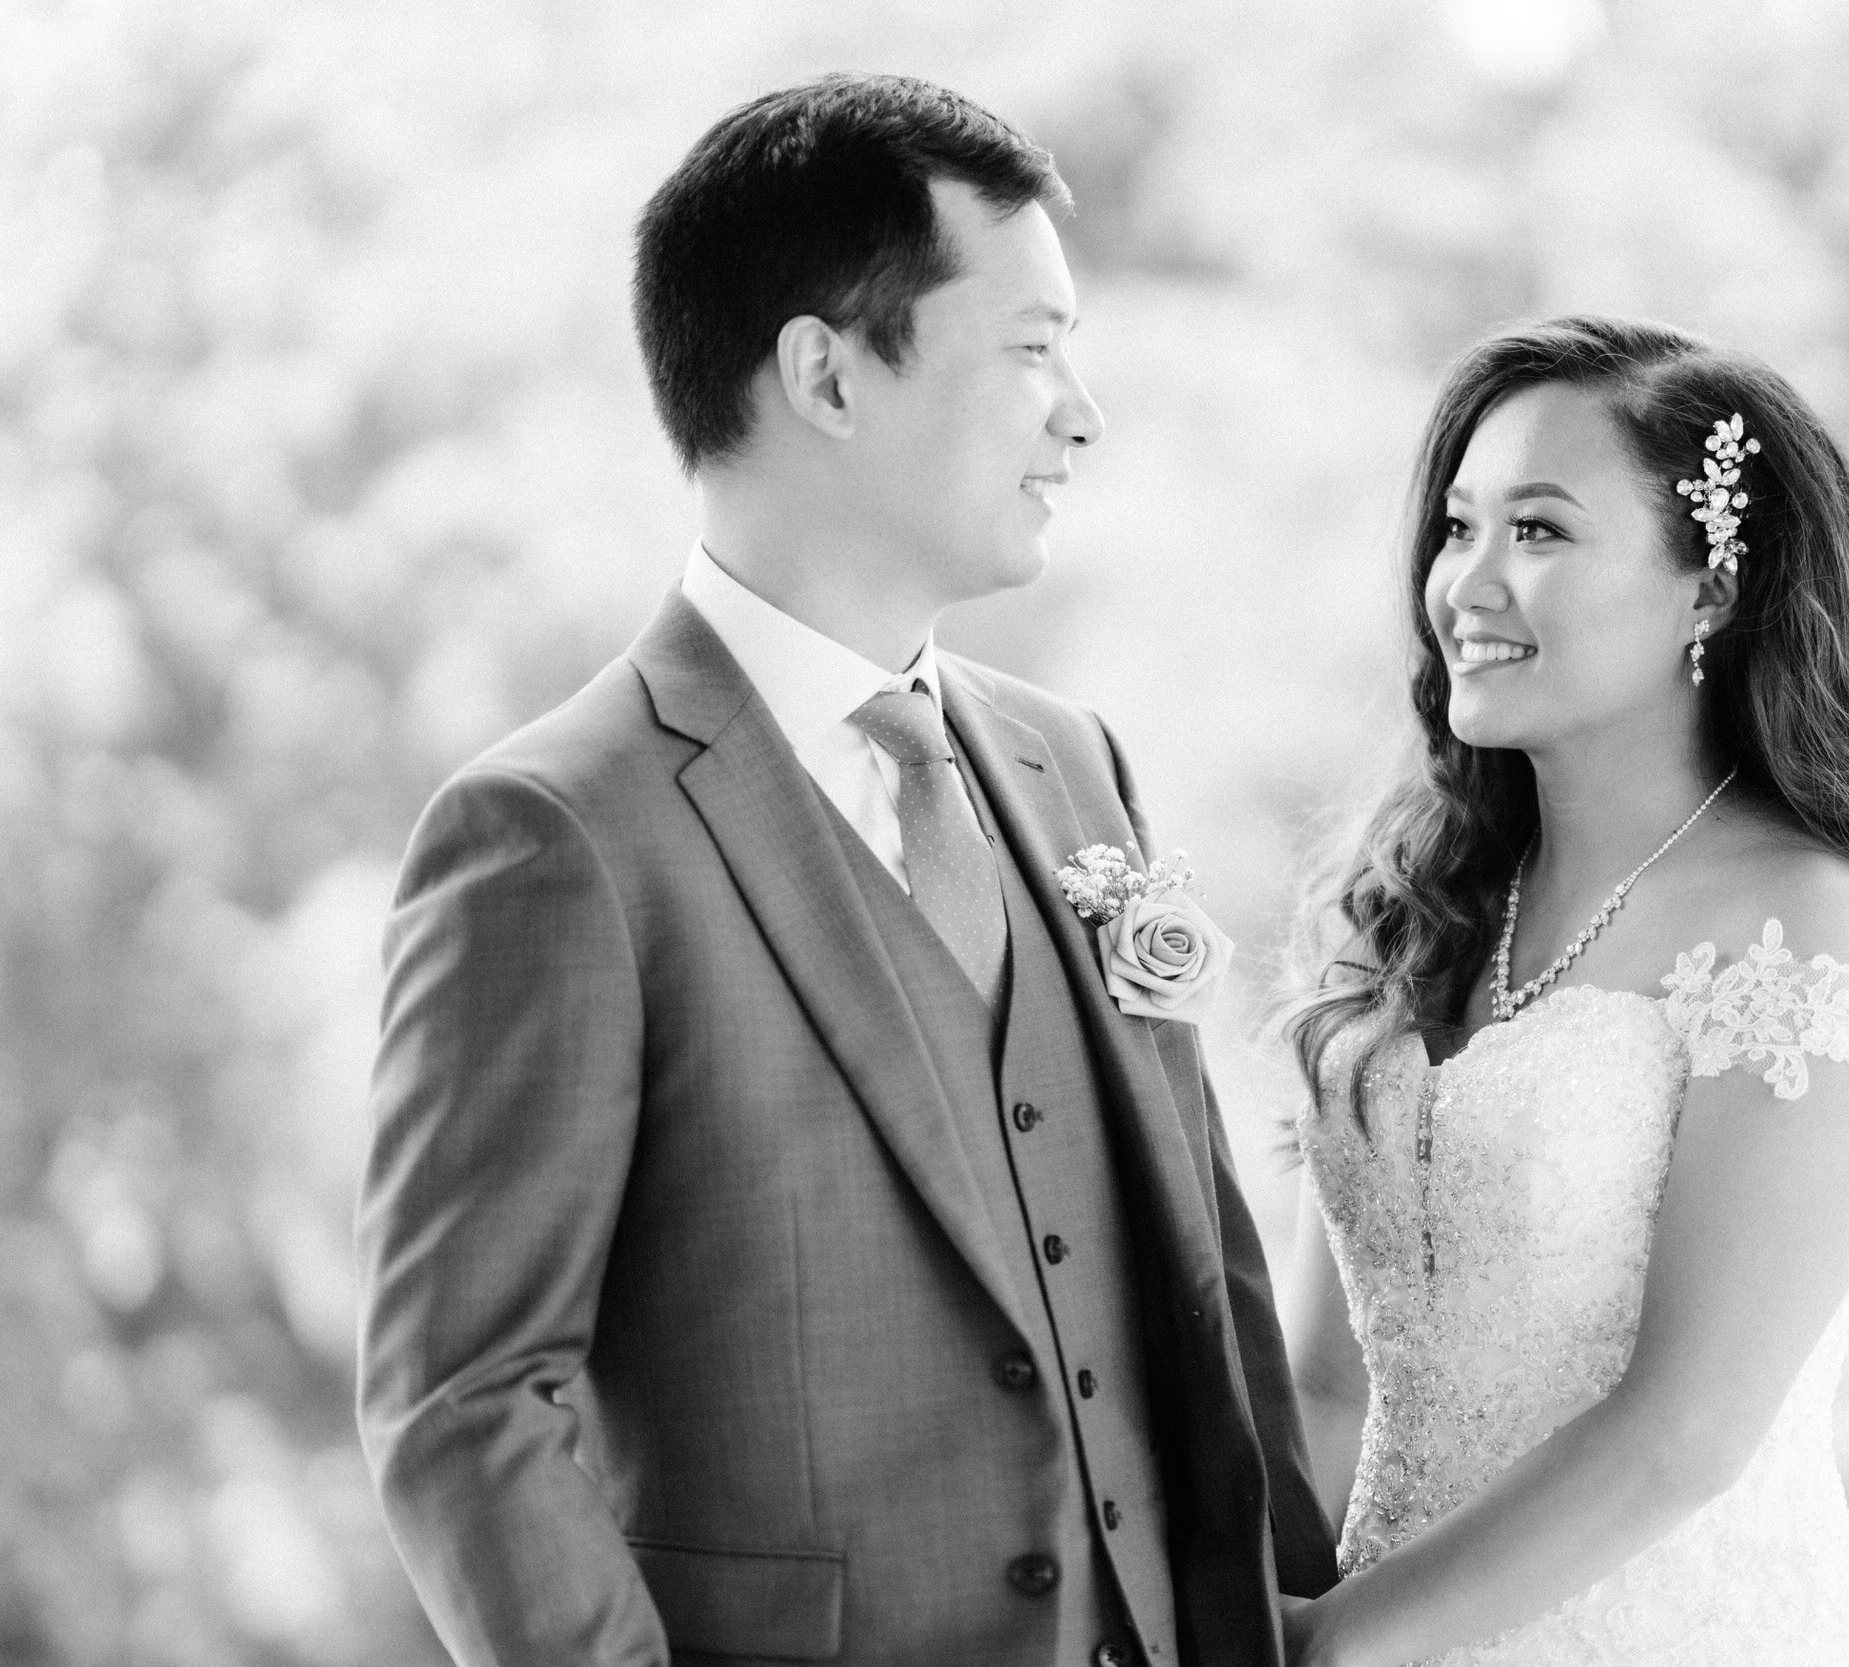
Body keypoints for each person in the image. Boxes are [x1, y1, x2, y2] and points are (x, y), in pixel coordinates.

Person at [355, 73, 1335, 1667]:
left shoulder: (1071, 766)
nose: (1079, 410)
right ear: (825, 373)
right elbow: (464, 1405)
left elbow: (1201, 1280)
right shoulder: (553, 835)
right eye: (1029, 349)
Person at [1276, 316, 1849, 1665]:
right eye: (1457, 528)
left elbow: (1685, 1432)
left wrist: (1331, 1648)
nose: (1467, 588)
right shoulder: (1424, 917)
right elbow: (1327, 1387)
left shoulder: (1807, 936)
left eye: (1541, 533)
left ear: (1711, 592)